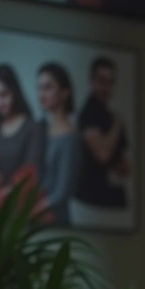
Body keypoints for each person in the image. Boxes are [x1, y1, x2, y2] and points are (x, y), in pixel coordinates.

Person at [0, 64, 43, 213]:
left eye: (4, 95)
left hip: (20, 202)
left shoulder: (33, 127)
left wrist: (2, 195)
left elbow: (30, 173)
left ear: (15, 92)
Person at [76, 56, 130, 209]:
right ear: (91, 81)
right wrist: (117, 125)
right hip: (90, 198)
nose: (106, 88)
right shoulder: (89, 113)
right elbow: (103, 155)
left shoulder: (108, 116)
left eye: (110, 82)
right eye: (101, 81)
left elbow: (124, 167)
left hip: (109, 192)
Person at [35, 63, 82, 226]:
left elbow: (62, 191)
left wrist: (34, 209)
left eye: (47, 87)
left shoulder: (69, 138)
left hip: (55, 221)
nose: (41, 94)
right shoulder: (40, 129)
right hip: (36, 216)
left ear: (64, 93)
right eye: (39, 88)